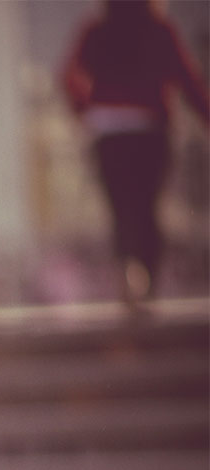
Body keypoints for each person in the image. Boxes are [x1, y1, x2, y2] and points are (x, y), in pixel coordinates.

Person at [62, 0, 210, 308]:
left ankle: (129, 273)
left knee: (121, 207)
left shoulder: (96, 30)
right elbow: (187, 78)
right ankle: (147, 281)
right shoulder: (159, 30)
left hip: (109, 128)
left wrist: (84, 110)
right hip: (149, 127)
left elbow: (68, 76)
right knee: (146, 205)